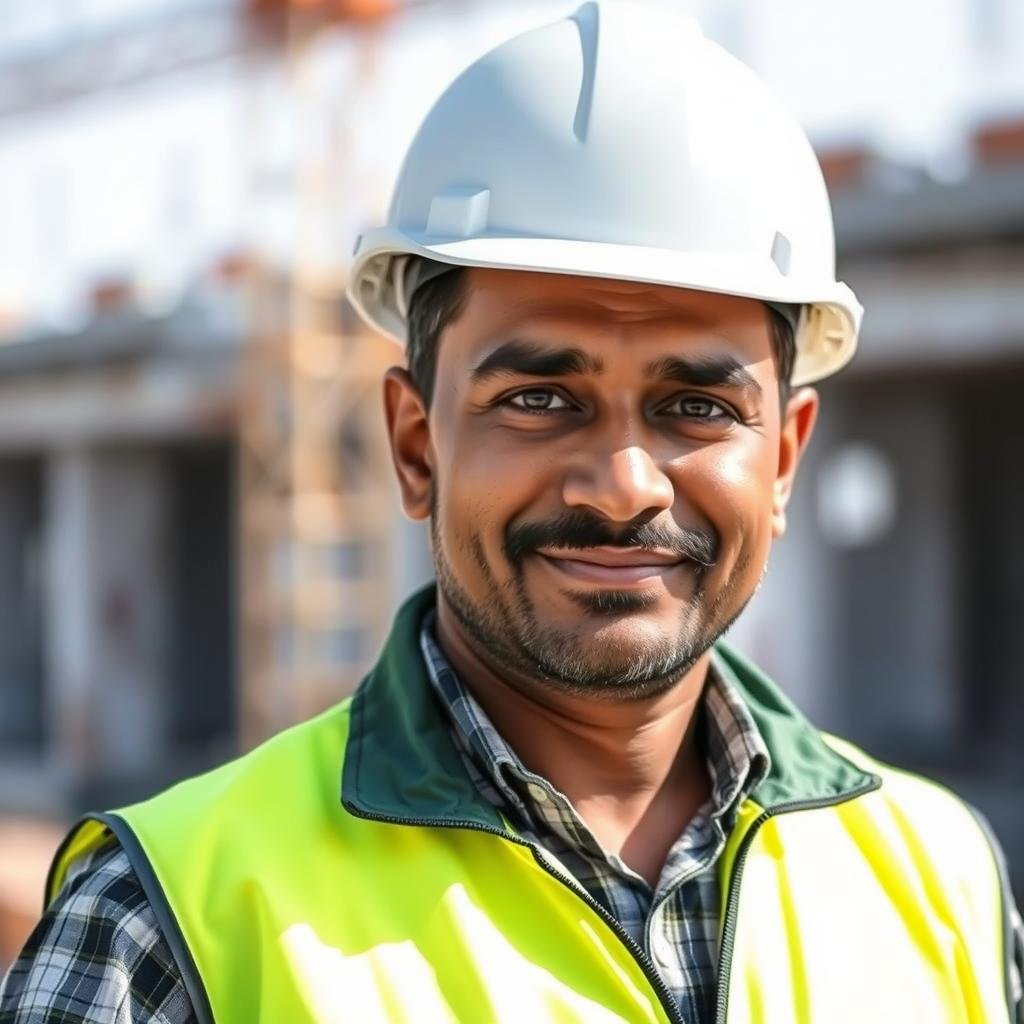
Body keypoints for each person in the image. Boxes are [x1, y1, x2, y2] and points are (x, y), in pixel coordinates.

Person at [2, 3, 1022, 1022]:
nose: (624, 486)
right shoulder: (168, 921)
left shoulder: (943, 883)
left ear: (786, 459)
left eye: (697, 408)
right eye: (538, 399)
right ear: (414, 446)